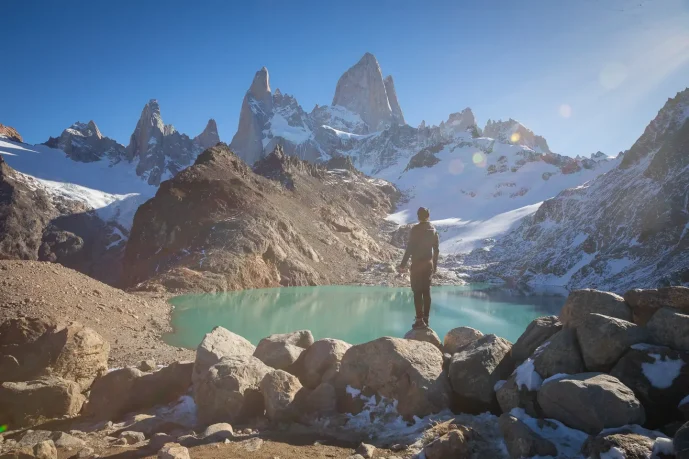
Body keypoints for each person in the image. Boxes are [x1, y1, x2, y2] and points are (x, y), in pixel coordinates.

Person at [398, 207, 439, 329]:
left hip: (416, 265)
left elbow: (410, 248)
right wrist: (434, 267)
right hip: (428, 265)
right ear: (428, 215)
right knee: (426, 292)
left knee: (417, 292)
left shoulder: (415, 229)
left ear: (418, 216)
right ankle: (426, 319)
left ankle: (419, 319)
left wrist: (402, 264)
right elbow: (436, 250)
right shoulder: (433, 230)